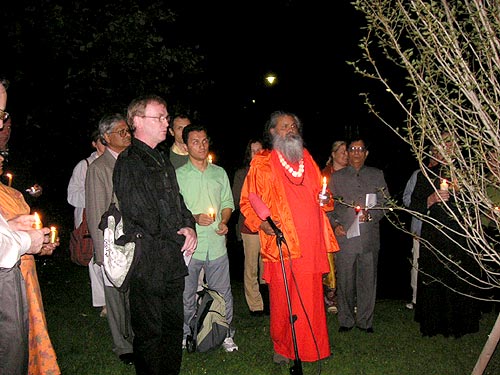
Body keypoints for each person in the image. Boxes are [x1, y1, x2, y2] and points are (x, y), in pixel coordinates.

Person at [240, 110, 338, 365]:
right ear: (272, 132)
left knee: (311, 299)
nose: (291, 129)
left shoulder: (307, 158)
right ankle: (283, 348)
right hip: (282, 244)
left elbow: (323, 196)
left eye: (294, 125)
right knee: (283, 300)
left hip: (311, 243)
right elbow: (247, 203)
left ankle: (312, 348)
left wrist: (326, 200)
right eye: (284, 126)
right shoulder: (262, 163)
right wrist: (262, 224)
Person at [112, 94, 197, 375]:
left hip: (171, 261)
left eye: (166, 117)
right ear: (137, 121)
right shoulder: (130, 162)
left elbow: (178, 202)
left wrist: (190, 226)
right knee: (150, 334)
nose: (166, 123)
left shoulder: (161, 159)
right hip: (148, 264)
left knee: (173, 329)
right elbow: (142, 215)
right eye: (159, 117)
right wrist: (179, 234)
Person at [0, 76, 61, 375]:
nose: (3, 126)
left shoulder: (14, 182)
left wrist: (37, 241)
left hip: (20, 279)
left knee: (21, 343)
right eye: (0, 117)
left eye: (6, 119)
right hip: (6, 277)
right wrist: (22, 240)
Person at [409, 135, 481, 338]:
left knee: (458, 277)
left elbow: (476, 206)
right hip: (435, 237)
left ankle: (460, 325)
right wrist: (430, 199)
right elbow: (414, 207)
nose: (447, 147)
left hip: (459, 237)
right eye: (443, 144)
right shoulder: (425, 174)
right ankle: (434, 324)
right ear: (434, 149)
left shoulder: (466, 174)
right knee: (435, 279)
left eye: (451, 143)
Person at [176, 123, 238, 352]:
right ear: (186, 145)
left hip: (216, 244)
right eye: (195, 141)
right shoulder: (179, 176)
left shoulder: (219, 172)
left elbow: (228, 203)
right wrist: (193, 217)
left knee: (223, 293)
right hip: (190, 247)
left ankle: (226, 333)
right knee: (186, 294)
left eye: (204, 141)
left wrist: (223, 221)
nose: (201, 146)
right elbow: (174, 211)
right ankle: (187, 333)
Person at [85, 113, 135, 365]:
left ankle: (135, 337)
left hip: (135, 240)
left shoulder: (132, 161)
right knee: (115, 296)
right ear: (106, 137)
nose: (127, 135)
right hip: (113, 244)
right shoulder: (99, 168)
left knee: (132, 294)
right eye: (121, 132)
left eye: (128, 130)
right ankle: (122, 345)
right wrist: (101, 253)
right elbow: (96, 210)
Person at [328, 138, 389, 333]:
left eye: (360, 149)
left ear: (366, 153)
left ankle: (365, 320)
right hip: (345, 237)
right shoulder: (337, 177)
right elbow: (328, 206)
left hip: (369, 237)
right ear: (348, 153)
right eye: (352, 149)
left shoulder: (376, 175)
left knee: (367, 281)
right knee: (345, 281)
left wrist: (374, 214)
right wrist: (335, 224)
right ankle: (345, 320)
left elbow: (385, 202)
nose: (356, 153)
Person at [67, 130, 107, 317]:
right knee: (94, 260)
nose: (106, 145)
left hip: (110, 217)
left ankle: (114, 299)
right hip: (89, 219)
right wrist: (93, 194)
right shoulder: (84, 165)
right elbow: (72, 195)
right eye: (102, 141)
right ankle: (102, 303)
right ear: (94, 143)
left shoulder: (115, 162)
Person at [232, 138, 268, 316]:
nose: (257, 153)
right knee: (251, 267)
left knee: (266, 266)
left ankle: (266, 301)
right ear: (249, 153)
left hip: (267, 227)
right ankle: (255, 305)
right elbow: (239, 201)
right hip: (249, 227)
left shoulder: (269, 172)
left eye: (260, 150)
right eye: (254, 150)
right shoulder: (242, 173)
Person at [322, 140, 348, 314]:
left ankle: (347, 297)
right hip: (330, 225)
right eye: (342, 151)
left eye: (347, 151)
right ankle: (330, 296)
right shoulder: (325, 175)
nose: (346, 155)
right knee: (331, 264)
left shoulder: (351, 173)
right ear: (333, 154)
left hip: (349, 225)